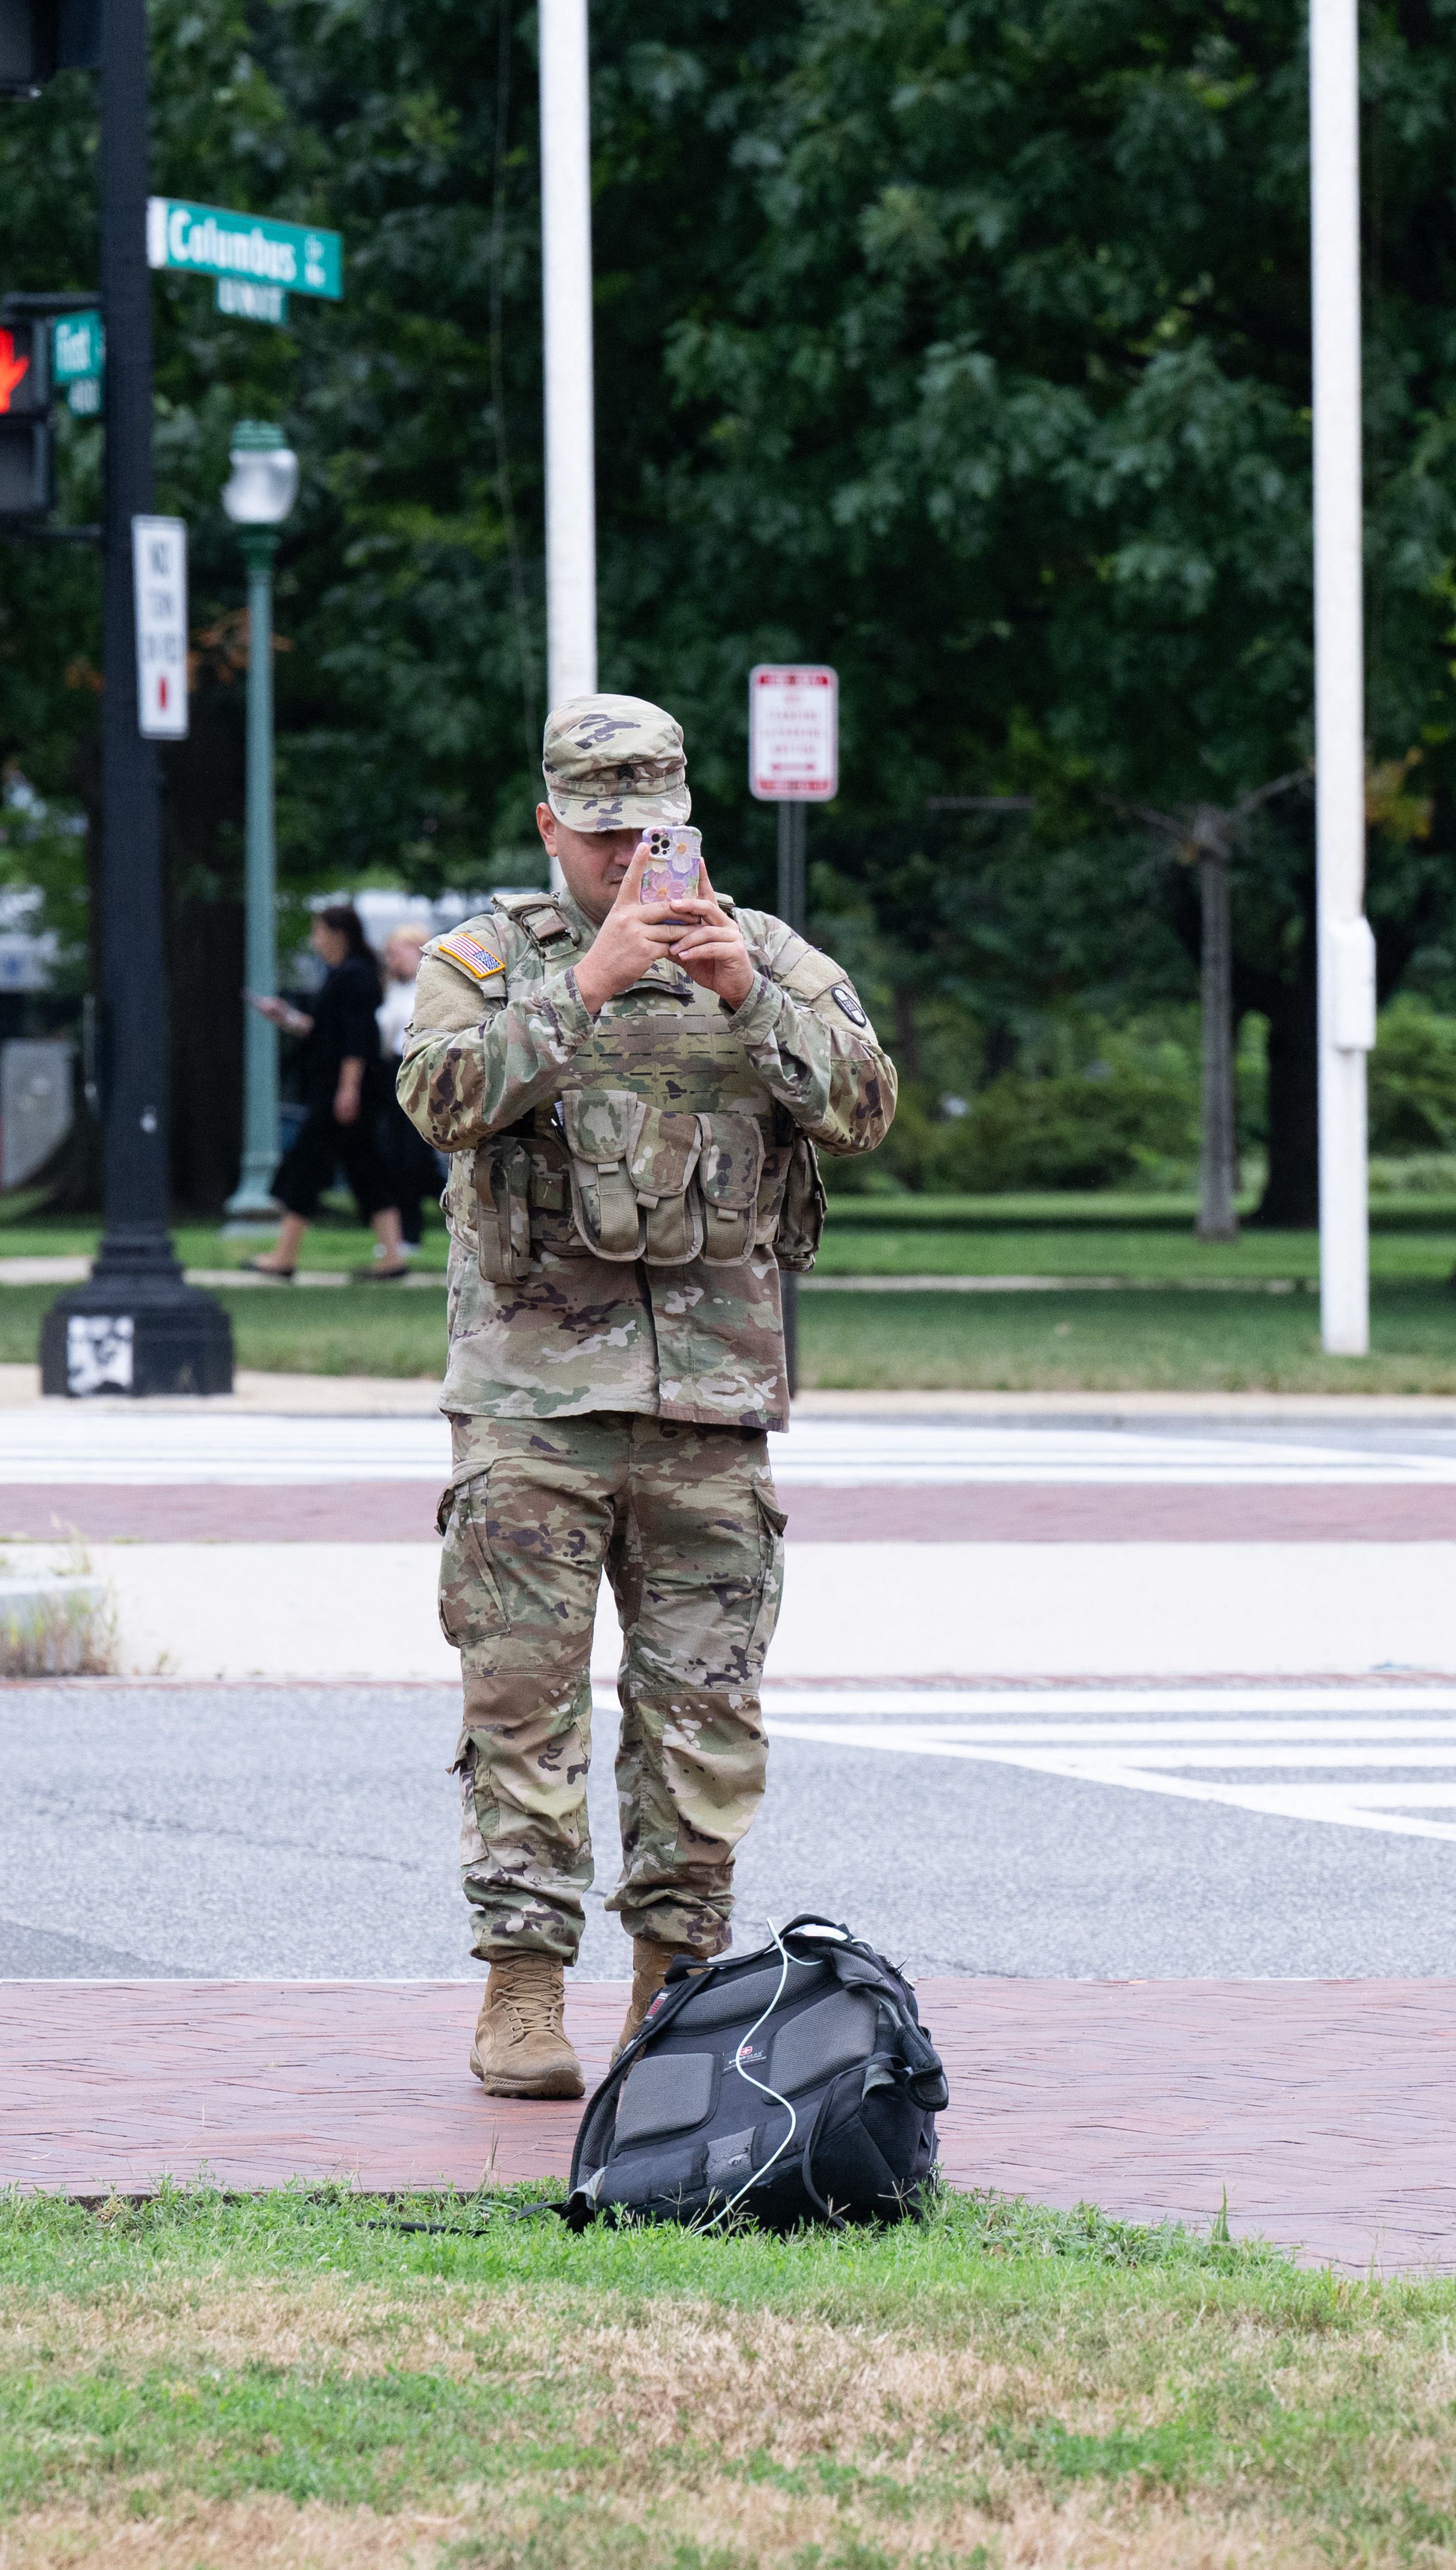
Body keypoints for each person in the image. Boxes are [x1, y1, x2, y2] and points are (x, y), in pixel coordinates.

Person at [397, 694, 898, 2101]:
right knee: (524, 1706)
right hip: (531, 1412)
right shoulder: (486, 961)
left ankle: (674, 1993)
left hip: (711, 1417)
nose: (627, 861)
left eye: (651, 833)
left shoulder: (772, 961)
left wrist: (747, 993)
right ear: (552, 826)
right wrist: (589, 984)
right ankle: (521, 1986)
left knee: (703, 1716)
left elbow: (864, 1108)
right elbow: (435, 1097)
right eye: (600, 834)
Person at [243, 904, 411, 1282]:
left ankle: (284, 1255)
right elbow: (329, 1033)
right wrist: (287, 1018)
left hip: (343, 1089)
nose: (315, 941)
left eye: (318, 932)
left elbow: (357, 1040)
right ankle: (392, 1257)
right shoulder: (347, 975)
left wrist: (348, 1089)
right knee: (366, 1168)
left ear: (338, 934)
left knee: (308, 1163)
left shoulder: (354, 976)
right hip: (344, 1086)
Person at [366, 926, 443, 1249]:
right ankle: (401, 1232)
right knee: (394, 1153)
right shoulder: (390, 988)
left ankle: (410, 1231)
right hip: (390, 1072)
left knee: (411, 1156)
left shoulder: (430, 987)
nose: (392, 960)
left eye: (397, 953)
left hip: (418, 1069)